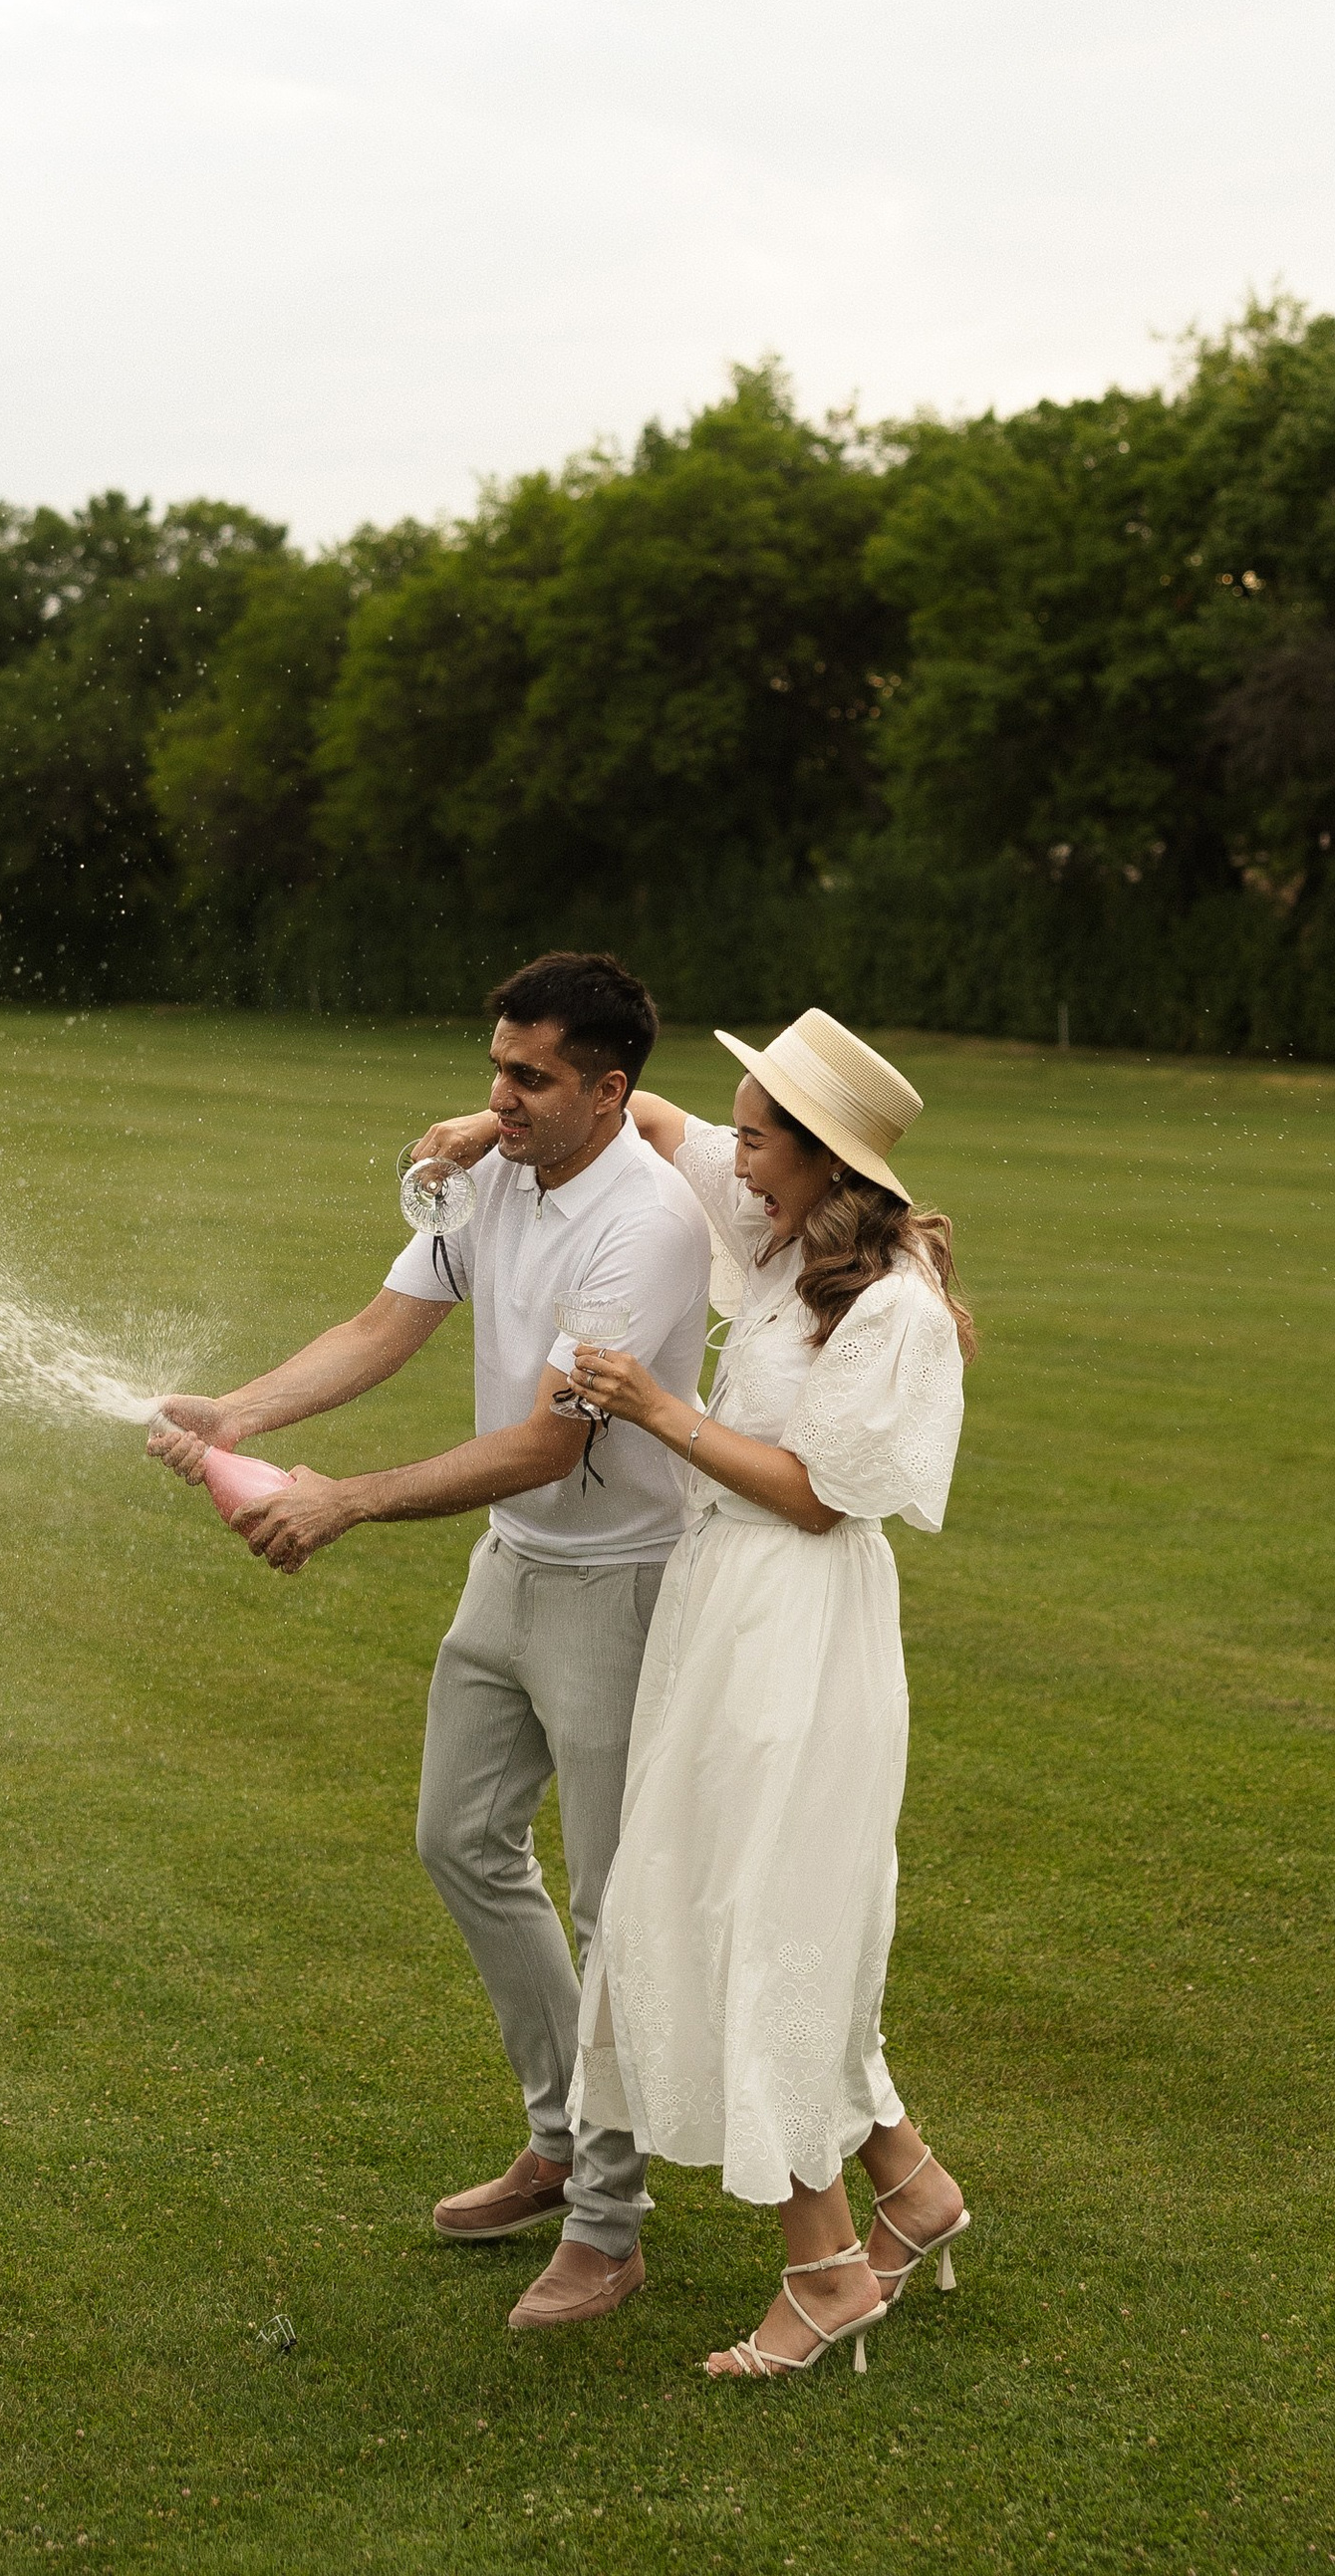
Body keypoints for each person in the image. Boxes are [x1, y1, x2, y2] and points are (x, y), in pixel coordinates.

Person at [147, 952, 709, 2334]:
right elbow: (384, 1325)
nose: (498, 1099)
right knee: (459, 1840)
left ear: (610, 1092)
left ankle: (610, 2226)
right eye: (495, 1069)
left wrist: (346, 1501)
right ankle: (561, 2135)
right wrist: (240, 1417)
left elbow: (543, 1441)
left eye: (532, 1078)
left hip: (623, 1588)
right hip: (514, 1569)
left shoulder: (650, 1227)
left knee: (613, 1908)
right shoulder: (489, 1172)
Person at [416, 1005, 974, 2381]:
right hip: (722, 1615)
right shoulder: (779, 1241)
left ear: (821, 1160)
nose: (730, 1151)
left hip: (796, 1626)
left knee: (755, 1918)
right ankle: (911, 2189)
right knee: (726, 1903)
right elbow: (653, 1120)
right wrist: (481, 1123)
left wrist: (663, 1413)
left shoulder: (893, 1308)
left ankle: (827, 2267)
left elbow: (822, 1498)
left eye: (758, 1132)